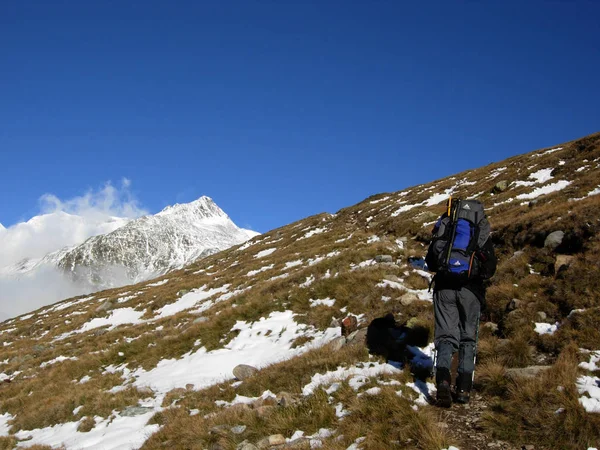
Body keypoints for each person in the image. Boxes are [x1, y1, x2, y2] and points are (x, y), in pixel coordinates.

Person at [425, 198, 497, 407]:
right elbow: (490, 268)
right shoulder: (480, 231)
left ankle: (443, 381)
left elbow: (430, 261)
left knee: (446, 335)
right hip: (470, 291)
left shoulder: (446, 227)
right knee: (468, 338)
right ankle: (464, 389)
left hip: (444, 287)